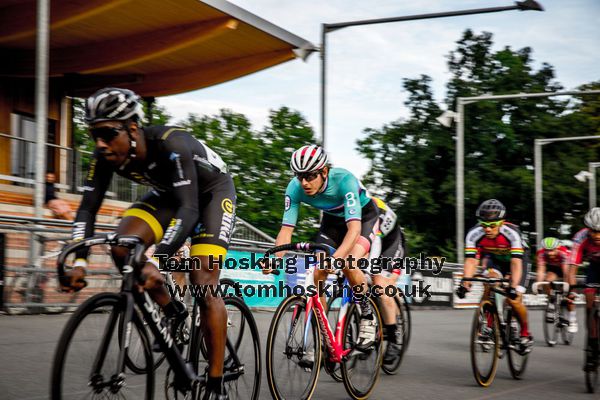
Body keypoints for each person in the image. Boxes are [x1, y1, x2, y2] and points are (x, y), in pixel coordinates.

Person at [59, 87, 235, 399]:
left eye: (107, 133)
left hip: (210, 195)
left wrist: (159, 256)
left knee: (203, 280)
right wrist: (79, 259)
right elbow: (87, 208)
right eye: (93, 135)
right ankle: (171, 310)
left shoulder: (171, 144)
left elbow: (190, 208)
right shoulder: (104, 154)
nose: (100, 143)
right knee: (121, 246)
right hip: (170, 194)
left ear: (132, 129)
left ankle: (216, 381)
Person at [264, 144, 379, 353]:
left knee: (348, 262)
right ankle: (322, 337)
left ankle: (367, 314)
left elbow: (353, 229)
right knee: (318, 272)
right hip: (332, 223)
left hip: (363, 218)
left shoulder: (344, 181)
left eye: (310, 176)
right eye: (300, 176)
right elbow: (286, 231)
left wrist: (338, 259)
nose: (305, 183)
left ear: (324, 171)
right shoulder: (294, 188)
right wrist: (275, 258)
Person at [456, 199, 533, 354]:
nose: (488, 229)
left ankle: (525, 332)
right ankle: (489, 325)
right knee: (490, 282)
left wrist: (513, 287)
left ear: (501, 222)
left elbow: (516, 263)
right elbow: (471, 260)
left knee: (514, 298)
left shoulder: (512, 233)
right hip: (496, 259)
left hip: (518, 260)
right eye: (484, 225)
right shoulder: (474, 233)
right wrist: (465, 284)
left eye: (492, 225)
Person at [369, 197, 407, 365]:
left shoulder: (370, 211)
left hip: (391, 243)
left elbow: (373, 250)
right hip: (371, 241)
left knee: (384, 287)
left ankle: (394, 335)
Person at [569, 208, 600, 372]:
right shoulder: (580, 238)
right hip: (594, 268)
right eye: (593, 231)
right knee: (589, 303)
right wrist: (572, 292)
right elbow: (572, 268)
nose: (597, 235)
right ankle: (593, 345)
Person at [536, 237, 577, 332]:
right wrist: (538, 285)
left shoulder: (564, 253)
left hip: (567, 269)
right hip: (554, 269)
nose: (550, 253)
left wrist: (566, 288)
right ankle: (552, 300)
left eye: (552, 250)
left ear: (558, 247)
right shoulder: (541, 253)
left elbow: (566, 273)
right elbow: (540, 271)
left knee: (569, 294)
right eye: (547, 250)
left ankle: (573, 319)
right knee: (546, 280)